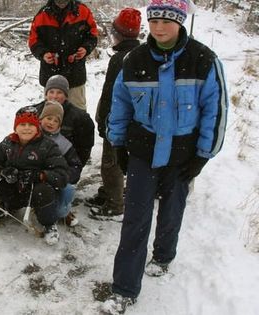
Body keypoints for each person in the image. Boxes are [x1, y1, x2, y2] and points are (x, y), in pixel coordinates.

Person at [102, 0, 228, 313]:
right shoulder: (135, 59)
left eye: (167, 21)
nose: (159, 28)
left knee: (172, 209)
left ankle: (163, 255)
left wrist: (204, 154)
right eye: (154, 20)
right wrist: (117, 144)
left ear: (180, 21)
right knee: (135, 218)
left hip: (183, 153)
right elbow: (120, 104)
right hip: (144, 151)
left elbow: (216, 110)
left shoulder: (203, 59)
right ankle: (124, 289)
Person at [0, 107, 69, 245]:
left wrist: (40, 175)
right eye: (22, 124)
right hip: (11, 187)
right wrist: (1, 171)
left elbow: (62, 175)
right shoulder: (8, 143)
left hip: (34, 192)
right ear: (16, 127)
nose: (26, 128)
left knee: (44, 191)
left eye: (31, 125)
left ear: (37, 127)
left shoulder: (48, 146)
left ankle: (49, 224)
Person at [85, 8, 142, 218]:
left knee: (111, 164)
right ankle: (107, 192)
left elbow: (112, 95)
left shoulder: (120, 59)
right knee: (114, 161)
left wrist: (104, 122)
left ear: (117, 33)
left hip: (117, 122)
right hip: (128, 122)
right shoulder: (138, 54)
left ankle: (115, 204)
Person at [28, 0, 98, 111]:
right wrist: (43, 54)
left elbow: (93, 34)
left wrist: (86, 48)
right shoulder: (42, 15)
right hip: (51, 74)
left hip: (75, 73)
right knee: (51, 113)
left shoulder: (83, 11)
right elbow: (33, 41)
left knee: (78, 112)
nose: (61, 2)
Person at [30, 74, 95, 167]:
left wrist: (72, 170)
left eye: (59, 92)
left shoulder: (80, 118)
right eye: (51, 92)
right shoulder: (33, 112)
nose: (55, 96)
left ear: (66, 95)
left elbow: (84, 149)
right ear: (46, 94)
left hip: (64, 165)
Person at [39, 100, 83, 227]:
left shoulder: (63, 143)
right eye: (49, 118)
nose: (51, 122)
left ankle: (63, 212)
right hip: (36, 175)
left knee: (68, 189)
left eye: (56, 120)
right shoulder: (32, 134)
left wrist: (64, 177)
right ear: (41, 118)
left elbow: (75, 165)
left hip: (54, 177)